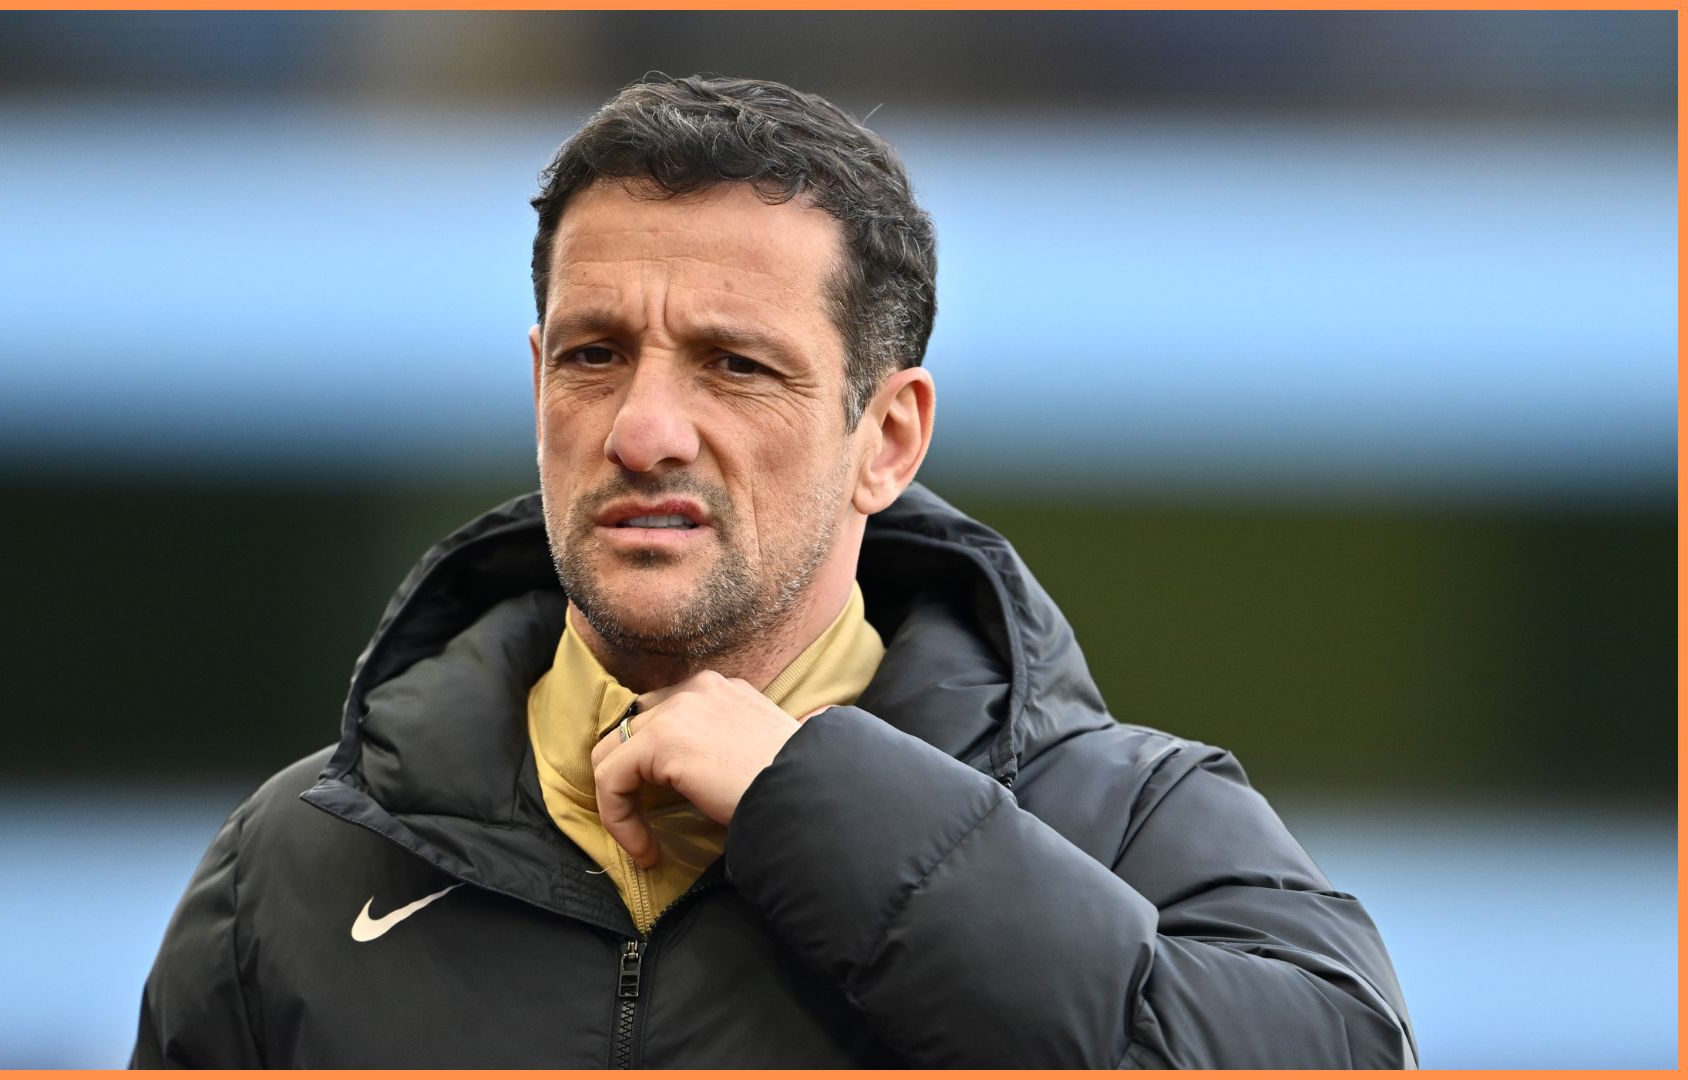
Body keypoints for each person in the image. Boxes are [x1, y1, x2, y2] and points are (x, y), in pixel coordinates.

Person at [131, 74, 1416, 1068]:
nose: (643, 430)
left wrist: (821, 808)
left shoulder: (1128, 823)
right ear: (537, 385)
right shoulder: (297, 864)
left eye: (735, 366)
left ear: (888, 437)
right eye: (593, 355)